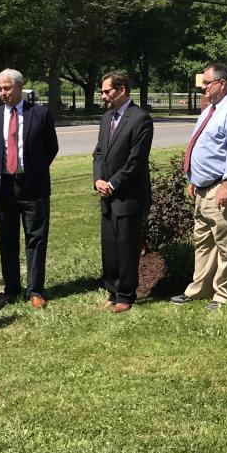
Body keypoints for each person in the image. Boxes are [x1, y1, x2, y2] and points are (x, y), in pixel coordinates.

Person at [171, 62, 227, 312]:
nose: (203, 88)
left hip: (223, 186)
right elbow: (205, 147)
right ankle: (199, 290)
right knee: (204, 242)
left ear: (223, 83)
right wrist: (194, 179)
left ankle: (224, 295)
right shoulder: (213, 109)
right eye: (203, 83)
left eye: (207, 83)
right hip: (203, 187)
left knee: (226, 243)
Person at [0, 68, 59, 308]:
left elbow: (51, 148)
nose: (3, 93)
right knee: (7, 238)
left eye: (7, 88)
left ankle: (35, 290)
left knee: (36, 237)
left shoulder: (41, 114)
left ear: (20, 87)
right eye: (0, 89)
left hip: (33, 185)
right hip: (4, 185)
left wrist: (33, 169)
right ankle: (11, 288)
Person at [91, 71, 154, 313]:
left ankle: (126, 295)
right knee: (109, 245)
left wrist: (113, 183)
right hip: (107, 195)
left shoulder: (140, 119)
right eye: (103, 91)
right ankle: (113, 290)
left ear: (122, 90)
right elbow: (98, 153)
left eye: (107, 91)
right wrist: (98, 179)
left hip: (129, 195)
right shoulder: (107, 118)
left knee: (126, 246)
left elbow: (136, 160)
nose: (104, 95)